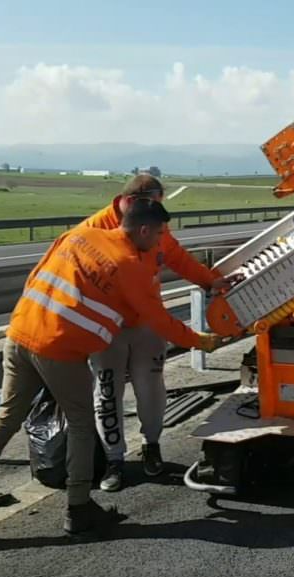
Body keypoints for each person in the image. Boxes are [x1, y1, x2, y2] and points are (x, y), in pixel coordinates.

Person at [0, 199, 221, 536]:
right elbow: (157, 318)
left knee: (3, 420)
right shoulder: (129, 263)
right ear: (144, 230)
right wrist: (200, 341)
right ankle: (78, 508)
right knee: (81, 425)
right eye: (160, 234)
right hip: (59, 350)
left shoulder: (77, 236)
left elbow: (35, 276)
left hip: (19, 336)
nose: (162, 242)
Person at [82, 174, 236, 491]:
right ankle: (115, 461)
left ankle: (151, 446)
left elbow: (177, 257)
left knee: (150, 386)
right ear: (141, 202)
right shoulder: (92, 231)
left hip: (146, 324)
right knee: (107, 392)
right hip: (107, 327)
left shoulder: (155, 224)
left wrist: (210, 281)